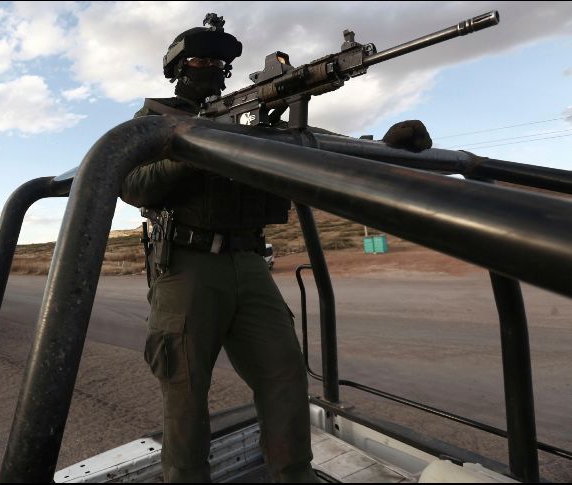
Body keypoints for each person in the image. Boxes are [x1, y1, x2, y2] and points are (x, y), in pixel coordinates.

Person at [120, 14, 431, 483]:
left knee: (284, 375)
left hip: (249, 263)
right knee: (185, 394)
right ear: (177, 69)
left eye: (221, 63)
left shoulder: (250, 122)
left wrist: (384, 148)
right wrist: (201, 142)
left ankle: (294, 475)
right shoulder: (152, 123)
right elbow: (131, 183)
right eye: (201, 59)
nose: (212, 69)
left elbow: (312, 146)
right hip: (185, 266)